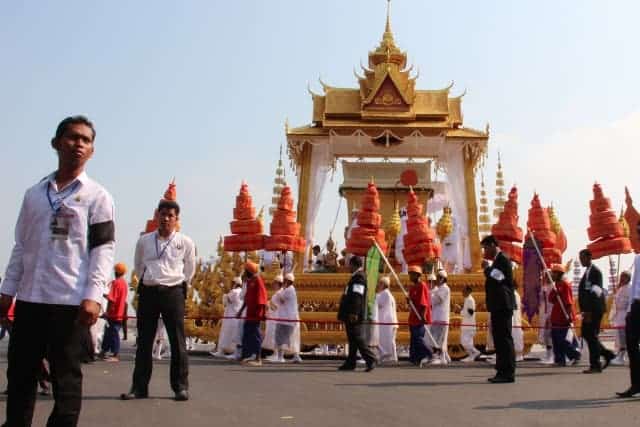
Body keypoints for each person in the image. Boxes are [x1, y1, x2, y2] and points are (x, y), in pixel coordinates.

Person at [0, 115, 115, 426]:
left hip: (70, 304)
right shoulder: (34, 195)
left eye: (86, 140)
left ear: (91, 151)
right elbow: (21, 246)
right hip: (30, 300)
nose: (79, 144)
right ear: (56, 143)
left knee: (66, 385)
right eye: (72, 137)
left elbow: (103, 250)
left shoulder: (98, 197)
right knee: (21, 379)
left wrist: (94, 295)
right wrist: (7, 290)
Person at [121, 199, 196, 401]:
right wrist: (150, 279)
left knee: (177, 341)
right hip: (149, 291)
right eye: (162, 214)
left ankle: (180, 387)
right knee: (144, 341)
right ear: (156, 216)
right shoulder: (144, 240)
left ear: (176, 219)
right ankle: (139, 388)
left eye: (170, 215)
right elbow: (138, 265)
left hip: (173, 292)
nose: (165, 218)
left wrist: (178, 284)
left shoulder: (185, 242)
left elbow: (190, 269)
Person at [481, 235, 516, 383]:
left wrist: (487, 269)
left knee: (504, 339)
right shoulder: (497, 260)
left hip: (503, 304)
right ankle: (501, 370)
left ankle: (507, 372)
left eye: (485, 248)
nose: (485, 251)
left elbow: (500, 278)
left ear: (492, 245)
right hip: (497, 305)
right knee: (499, 339)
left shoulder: (503, 259)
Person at [578, 248, 615, 374]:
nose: (581, 260)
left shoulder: (595, 272)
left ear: (589, 258)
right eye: (580, 258)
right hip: (589, 310)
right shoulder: (587, 272)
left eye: (582, 258)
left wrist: (588, 311)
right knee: (587, 334)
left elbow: (596, 292)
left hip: (594, 310)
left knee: (591, 335)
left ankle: (595, 364)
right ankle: (606, 353)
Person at [337, 256, 376, 372]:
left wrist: (354, 312)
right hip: (350, 312)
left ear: (354, 264)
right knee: (352, 339)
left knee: (357, 338)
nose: (348, 267)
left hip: (354, 314)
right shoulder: (355, 276)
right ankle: (351, 362)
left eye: (349, 264)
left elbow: (357, 296)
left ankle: (371, 358)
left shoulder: (359, 278)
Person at [616, 240, 640, 398]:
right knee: (632, 346)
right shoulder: (638, 258)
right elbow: (635, 286)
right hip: (637, 306)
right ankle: (636, 384)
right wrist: (631, 308)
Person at [548, 264, 581, 366]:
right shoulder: (555, 285)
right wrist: (555, 292)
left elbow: (568, 302)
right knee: (555, 340)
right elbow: (551, 299)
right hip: (556, 316)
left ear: (558, 274)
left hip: (563, 317)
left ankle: (575, 355)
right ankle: (559, 360)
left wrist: (568, 316)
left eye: (553, 273)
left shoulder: (565, 285)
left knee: (564, 340)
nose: (552, 275)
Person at [237, 261, 267, 366]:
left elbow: (263, 298)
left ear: (249, 271)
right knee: (246, 335)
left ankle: (258, 358)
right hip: (249, 313)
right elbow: (247, 299)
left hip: (256, 313)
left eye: (245, 270)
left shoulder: (258, 281)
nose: (244, 272)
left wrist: (263, 313)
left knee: (255, 335)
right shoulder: (250, 282)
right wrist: (240, 311)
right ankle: (248, 356)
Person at [99, 263, 128, 362]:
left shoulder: (116, 283)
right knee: (108, 333)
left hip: (114, 314)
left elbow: (112, 300)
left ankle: (115, 355)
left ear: (116, 271)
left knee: (113, 334)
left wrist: (107, 312)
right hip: (119, 313)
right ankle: (103, 352)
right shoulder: (124, 283)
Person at [273, 273, 302, 363]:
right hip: (290, 318)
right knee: (293, 338)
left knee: (280, 337)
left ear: (288, 281)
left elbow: (281, 300)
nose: (283, 282)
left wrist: (278, 292)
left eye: (285, 280)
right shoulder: (289, 290)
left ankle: (280, 357)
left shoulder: (288, 290)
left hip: (285, 318)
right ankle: (296, 356)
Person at [407, 265, 432, 367]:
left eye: (412, 274)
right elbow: (412, 302)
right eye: (409, 274)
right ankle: (415, 358)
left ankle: (429, 353)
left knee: (418, 338)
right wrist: (408, 301)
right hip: (413, 316)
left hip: (420, 317)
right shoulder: (413, 287)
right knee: (413, 339)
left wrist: (423, 316)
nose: (410, 276)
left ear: (417, 275)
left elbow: (424, 303)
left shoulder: (422, 286)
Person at [212, 277, 243, 357]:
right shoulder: (242, 292)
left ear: (235, 284)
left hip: (230, 316)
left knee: (225, 334)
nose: (231, 284)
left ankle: (221, 351)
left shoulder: (234, 291)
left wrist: (224, 295)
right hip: (237, 316)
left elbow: (225, 302)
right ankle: (232, 352)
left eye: (232, 283)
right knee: (234, 335)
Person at [609, 271, 632, 365]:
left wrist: (628, 315)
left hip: (625, 316)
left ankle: (622, 357)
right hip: (619, 316)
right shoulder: (621, 288)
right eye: (621, 276)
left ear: (628, 278)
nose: (622, 279)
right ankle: (620, 355)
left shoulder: (629, 288)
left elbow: (630, 303)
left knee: (624, 339)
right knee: (619, 338)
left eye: (624, 277)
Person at [430, 269, 451, 365]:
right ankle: (442, 357)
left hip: (441, 317)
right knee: (438, 338)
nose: (436, 280)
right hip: (437, 317)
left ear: (442, 279)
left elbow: (436, 301)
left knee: (437, 339)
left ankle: (438, 357)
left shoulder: (445, 289)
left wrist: (430, 295)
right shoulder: (439, 289)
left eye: (438, 278)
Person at [376, 276, 398, 364]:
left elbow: (378, 304)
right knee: (391, 341)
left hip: (387, 322)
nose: (378, 285)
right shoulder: (388, 294)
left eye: (380, 283)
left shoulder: (385, 294)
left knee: (386, 340)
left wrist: (376, 295)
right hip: (390, 321)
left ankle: (387, 355)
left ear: (383, 285)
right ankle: (393, 357)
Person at [264, 275, 284, 362]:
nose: (273, 285)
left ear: (278, 284)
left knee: (275, 336)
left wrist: (268, 304)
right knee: (273, 336)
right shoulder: (278, 293)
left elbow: (277, 307)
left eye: (275, 283)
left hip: (276, 317)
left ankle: (277, 355)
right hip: (273, 317)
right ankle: (275, 354)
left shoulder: (280, 293)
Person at [460, 285, 480, 362]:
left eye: (464, 290)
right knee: (465, 342)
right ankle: (473, 354)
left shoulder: (470, 300)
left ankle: (474, 353)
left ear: (468, 291)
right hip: (466, 324)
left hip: (469, 325)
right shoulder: (467, 299)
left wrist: (460, 311)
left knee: (465, 342)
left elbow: (470, 313)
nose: (462, 292)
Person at [538, 275, 554, 364]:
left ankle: (551, 356)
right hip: (543, 312)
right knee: (545, 336)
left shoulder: (553, 287)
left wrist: (549, 316)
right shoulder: (543, 287)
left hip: (550, 312)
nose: (546, 278)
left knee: (549, 335)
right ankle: (548, 355)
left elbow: (551, 302)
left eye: (548, 276)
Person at [512, 289, 525, 362]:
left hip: (515, 320)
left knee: (516, 338)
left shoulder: (515, 294)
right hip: (512, 319)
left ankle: (519, 355)